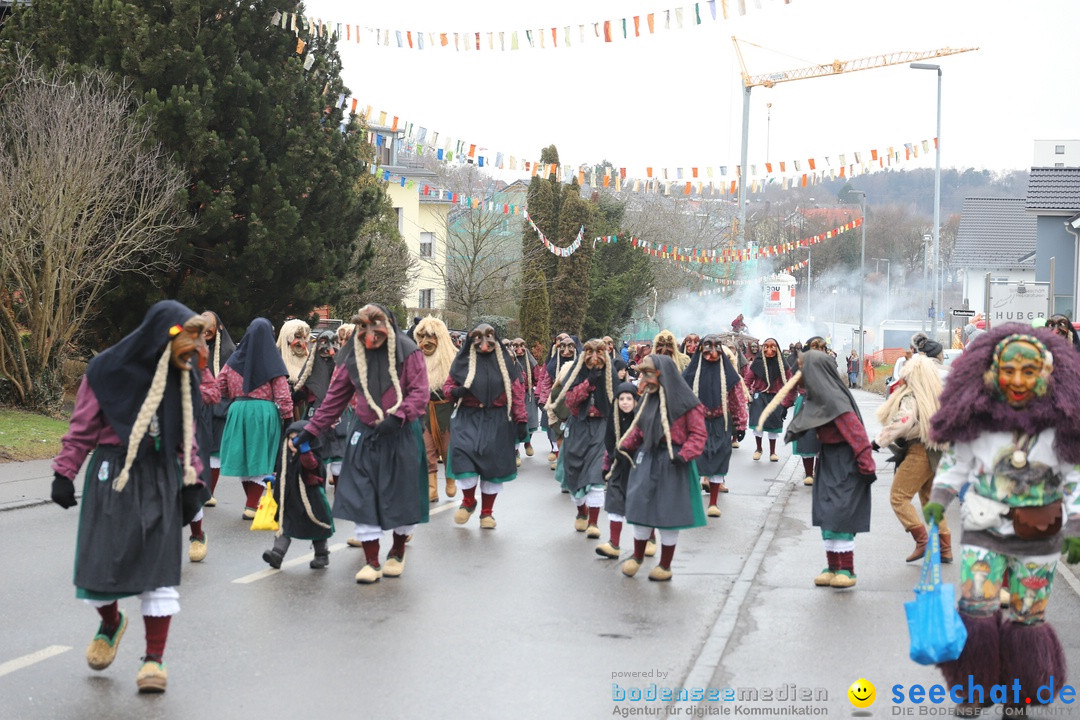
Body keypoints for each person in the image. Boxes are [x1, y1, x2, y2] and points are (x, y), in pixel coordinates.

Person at [51, 300, 209, 693]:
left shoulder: (182, 374)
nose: (191, 345)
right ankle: (110, 622)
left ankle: (154, 659)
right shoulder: (105, 370)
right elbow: (82, 427)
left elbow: (187, 437)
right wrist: (64, 473)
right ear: (162, 332)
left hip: (159, 478)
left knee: (158, 573)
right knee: (101, 566)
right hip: (112, 477)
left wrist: (193, 482)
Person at [923, 325, 1080, 716]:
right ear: (991, 372)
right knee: (977, 609)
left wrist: (1076, 525)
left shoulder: (1062, 426)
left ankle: (1020, 694)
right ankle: (973, 691)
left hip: (1040, 535)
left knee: (1029, 616)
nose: (1018, 380)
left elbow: (1074, 476)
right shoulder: (977, 420)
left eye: (1029, 371)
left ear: (1047, 375)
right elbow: (956, 465)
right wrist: (939, 499)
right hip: (984, 530)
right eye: (1009, 370)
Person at [293, 304, 429, 584]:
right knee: (362, 493)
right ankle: (371, 560)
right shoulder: (352, 355)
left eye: (375, 324)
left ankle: (397, 550)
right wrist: (310, 430)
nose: (369, 333)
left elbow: (419, 392)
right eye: (362, 326)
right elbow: (334, 398)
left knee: (402, 495)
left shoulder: (409, 351)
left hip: (401, 434)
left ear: (389, 324)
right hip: (366, 435)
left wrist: (398, 417)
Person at [763, 350, 876, 589]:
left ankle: (847, 569)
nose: (798, 371)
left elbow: (858, 436)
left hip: (845, 463)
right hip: (828, 460)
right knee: (826, 512)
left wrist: (866, 466)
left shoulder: (836, 401)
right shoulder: (817, 397)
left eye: (803, 367)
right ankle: (832, 566)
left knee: (840, 513)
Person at [616, 354, 707, 581]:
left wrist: (684, 454)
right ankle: (637, 557)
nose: (643, 380)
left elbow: (698, 434)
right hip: (647, 459)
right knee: (640, 507)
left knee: (668, 514)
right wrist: (625, 446)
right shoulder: (648, 400)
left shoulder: (688, 404)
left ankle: (665, 565)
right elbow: (639, 428)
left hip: (673, 462)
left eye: (648, 374)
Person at [444, 323, 528, 530]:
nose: (484, 343)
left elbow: (517, 393)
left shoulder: (506, 364)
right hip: (467, 417)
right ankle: (468, 501)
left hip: (497, 419)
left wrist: (521, 421)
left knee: (493, 466)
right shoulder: (462, 362)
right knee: (463, 455)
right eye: (478, 337)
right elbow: (448, 386)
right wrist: (454, 392)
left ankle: (487, 513)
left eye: (489, 337)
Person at [872, 354, 952, 563]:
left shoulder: (912, 396)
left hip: (918, 451)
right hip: (935, 450)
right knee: (928, 500)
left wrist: (878, 441)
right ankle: (944, 548)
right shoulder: (935, 395)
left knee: (899, 497)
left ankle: (922, 542)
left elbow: (903, 422)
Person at [216, 318, 293, 519]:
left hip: (238, 410)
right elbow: (283, 394)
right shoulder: (273, 362)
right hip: (263, 412)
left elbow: (220, 386)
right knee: (261, 457)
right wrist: (288, 418)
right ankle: (251, 505)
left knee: (245, 457)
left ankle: (251, 504)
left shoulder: (233, 361)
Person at [546, 338, 614, 537]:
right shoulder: (576, 374)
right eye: (590, 353)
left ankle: (594, 522)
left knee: (595, 475)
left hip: (601, 427)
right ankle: (581, 513)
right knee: (574, 473)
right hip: (578, 427)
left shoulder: (611, 376)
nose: (594, 358)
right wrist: (588, 383)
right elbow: (571, 401)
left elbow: (617, 402)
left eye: (599, 353)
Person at [683, 333, 747, 517]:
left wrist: (740, 424)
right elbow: (680, 399)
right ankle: (692, 502)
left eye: (716, 346)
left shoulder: (729, 375)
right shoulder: (690, 373)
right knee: (695, 459)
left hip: (720, 423)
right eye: (708, 346)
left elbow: (737, 400)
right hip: (696, 424)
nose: (712, 351)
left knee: (719, 458)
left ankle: (713, 503)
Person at [261, 421, 335, 570]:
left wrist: (305, 451)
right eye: (291, 439)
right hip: (291, 497)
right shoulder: (286, 455)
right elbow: (285, 472)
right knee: (286, 524)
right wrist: (276, 479)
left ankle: (321, 554)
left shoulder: (310, 453)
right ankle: (277, 555)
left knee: (316, 526)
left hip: (311, 498)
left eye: (297, 439)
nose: (292, 443)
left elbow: (312, 467)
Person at [413, 316, 457, 502]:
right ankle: (431, 487)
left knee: (448, 448)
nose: (426, 342)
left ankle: (450, 480)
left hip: (446, 410)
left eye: (431, 336)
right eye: (421, 337)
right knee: (427, 449)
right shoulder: (414, 360)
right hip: (424, 411)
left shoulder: (453, 359)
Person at [195, 310, 235, 510]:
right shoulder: (192, 348)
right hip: (198, 407)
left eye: (208, 333)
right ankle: (197, 489)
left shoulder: (228, 350)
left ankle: (209, 492)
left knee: (214, 451)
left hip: (219, 407)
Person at [596, 382, 640, 559]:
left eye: (629, 398)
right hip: (618, 467)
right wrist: (606, 466)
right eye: (621, 399)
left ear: (635, 401)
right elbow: (609, 445)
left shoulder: (641, 420)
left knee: (640, 506)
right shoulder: (613, 421)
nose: (625, 402)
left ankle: (649, 539)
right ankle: (614, 543)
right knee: (614, 502)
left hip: (638, 468)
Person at [743, 337, 795, 462]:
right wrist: (748, 394)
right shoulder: (757, 363)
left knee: (773, 424)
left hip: (776, 397)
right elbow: (747, 380)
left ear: (777, 348)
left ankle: (772, 452)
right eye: (766, 346)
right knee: (758, 424)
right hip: (759, 396)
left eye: (773, 346)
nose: (770, 349)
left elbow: (790, 381)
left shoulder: (783, 364)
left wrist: (787, 401)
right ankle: (758, 449)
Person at [791, 337, 828, 486]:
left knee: (823, 438)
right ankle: (808, 474)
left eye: (821, 348)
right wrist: (784, 404)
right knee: (806, 438)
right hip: (805, 403)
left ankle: (818, 472)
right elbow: (791, 385)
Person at [510, 337, 540, 463]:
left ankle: (528, 442)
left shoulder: (531, 362)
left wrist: (535, 391)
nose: (519, 349)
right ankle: (515, 452)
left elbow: (538, 378)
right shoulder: (510, 360)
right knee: (516, 423)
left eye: (522, 345)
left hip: (528, 394)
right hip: (514, 395)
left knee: (531, 420)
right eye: (516, 346)